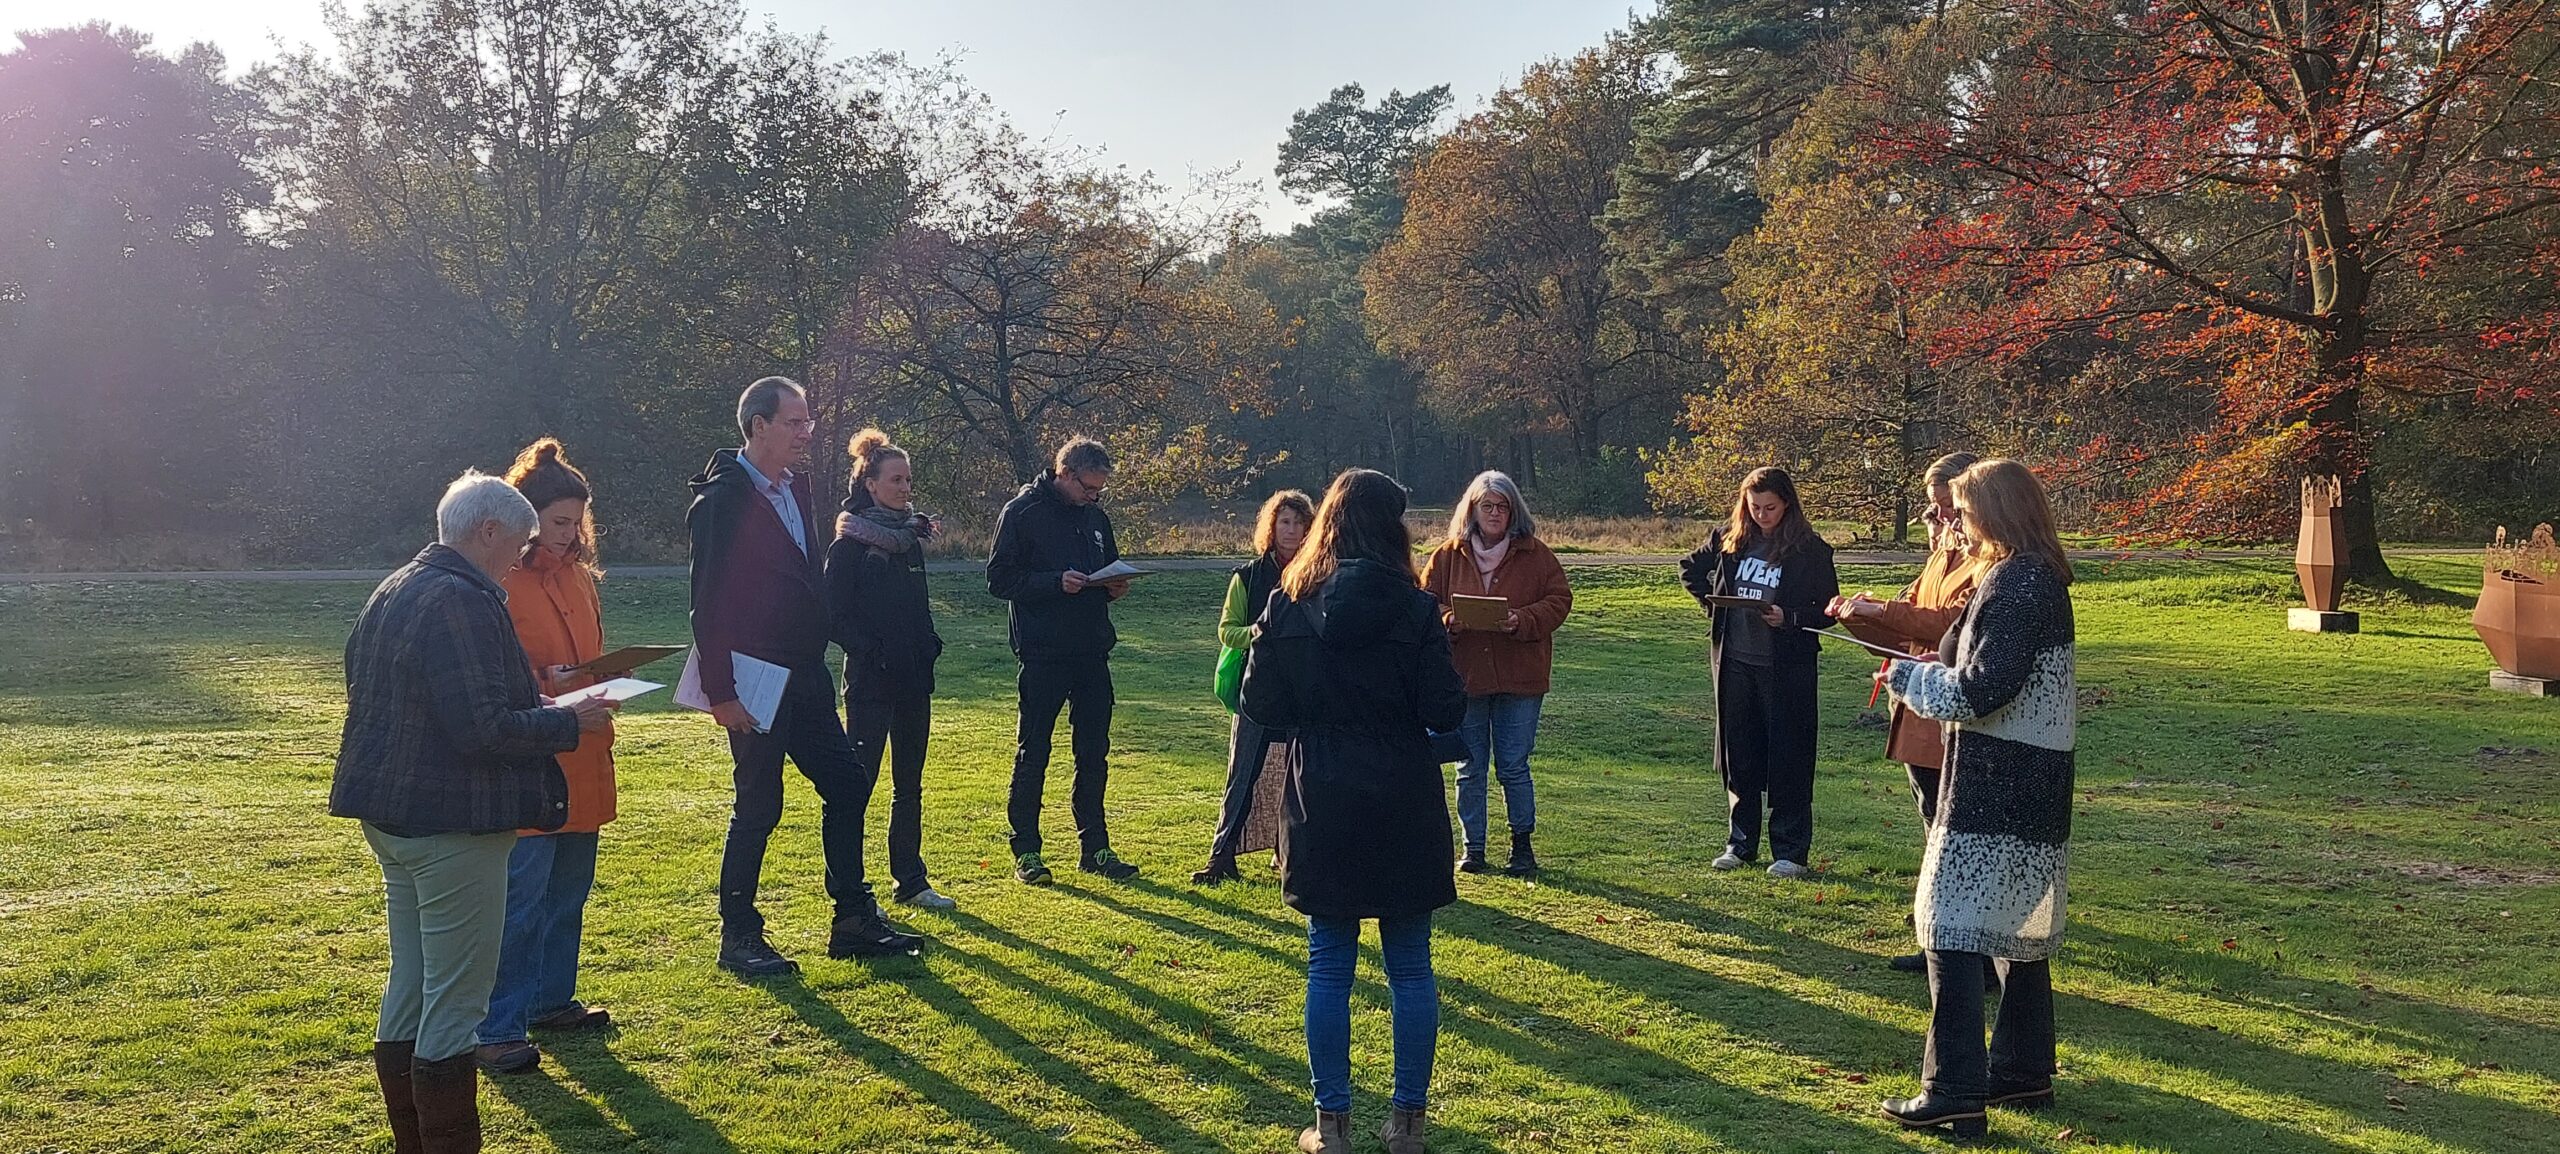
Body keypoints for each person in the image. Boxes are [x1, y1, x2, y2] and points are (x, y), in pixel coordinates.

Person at [331, 471, 613, 1154]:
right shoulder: (464, 600)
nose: (520, 558)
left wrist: (542, 711)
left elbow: (440, 705)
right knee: (456, 1003)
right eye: (517, 542)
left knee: (413, 985)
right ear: (487, 532)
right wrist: (567, 722)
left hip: (394, 819)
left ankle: (414, 1142)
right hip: (451, 825)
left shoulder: (397, 586)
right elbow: (482, 729)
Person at [1240, 468, 1466, 1154]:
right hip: (1401, 785)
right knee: (1411, 965)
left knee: (1329, 962)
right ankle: (1407, 1123)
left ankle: (1331, 1123)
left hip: (1323, 790)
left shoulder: (1288, 603)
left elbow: (1261, 705)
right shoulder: (1417, 607)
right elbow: (1445, 709)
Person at [688, 376, 923, 976]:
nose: (806, 432)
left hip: (806, 675)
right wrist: (722, 695)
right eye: (794, 422)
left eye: (808, 421)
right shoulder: (720, 502)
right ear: (757, 426)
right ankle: (739, 936)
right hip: (754, 678)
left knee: (846, 785)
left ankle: (851, 919)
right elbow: (707, 603)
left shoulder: (799, 489)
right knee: (759, 805)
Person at [1875, 458, 2077, 1137]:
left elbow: (1982, 692)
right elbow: (1992, 670)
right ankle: (2021, 1073)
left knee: (1948, 928)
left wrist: (1912, 680)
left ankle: (1953, 1091)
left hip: (2001, 789)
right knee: (2014, 930)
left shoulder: (2018, 582)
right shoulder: (2028, 577)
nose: (1952, 524)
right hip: (2027, 784)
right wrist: (1945, 666)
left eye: (1960, 512)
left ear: (1994, 513)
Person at [473, 440, 619, 1077]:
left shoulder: (582, 579)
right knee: (522, 900)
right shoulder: (500, 579)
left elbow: (592, 654)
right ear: (525, 518)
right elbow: (493, 679)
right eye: (557, 522)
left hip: (585, 753)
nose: (567, 535)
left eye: (575, 523)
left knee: (568, 893)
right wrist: (549, 681)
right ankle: (497, 1025)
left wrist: (603, 681)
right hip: (533, 761)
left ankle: (551, 1001)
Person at [1829, 451, 1987, 976]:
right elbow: (1906, 630)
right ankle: (1942, 940)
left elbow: (1948, 623)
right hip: (1919, 713)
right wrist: (1856, 617)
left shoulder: (1988, 560)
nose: (1937, 521)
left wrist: (1885, 611)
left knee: (1958, 829)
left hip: (1953, 715)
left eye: (1947, 510)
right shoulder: (1942, 553)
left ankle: (1971, 950)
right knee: (1934, 827)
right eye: (1931, 510)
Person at [987, 436, 1137, 884]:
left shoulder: (1095, 517)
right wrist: (1055, 583)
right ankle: (1027, 851)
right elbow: (999, 579)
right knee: (1034, 752)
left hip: (1092, 651)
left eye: (1100, 491)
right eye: (1089, 488)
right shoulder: (1022, 513)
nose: (1094, 497)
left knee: (1094, 753)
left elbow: (1109, 564)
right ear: (1065, 474)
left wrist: (1115, 585)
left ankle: (1096, 847)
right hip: (1042, 653)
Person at [1679, 467, 1839, 879]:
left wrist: (1789, 617)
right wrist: (1715, 605)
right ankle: (1739, 843)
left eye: (1770, 508)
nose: (1763, 515)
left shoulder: (1810, 550)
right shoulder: (1728, 540)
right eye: (1755, 508)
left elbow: (1828, 610)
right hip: (1735, 664)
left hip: (1786, 670)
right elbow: (1690, 569)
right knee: (1740, 755)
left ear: (1787, 504)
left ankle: (1790, 851)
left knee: (1789, 756)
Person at [1418, 471, 1572, 877]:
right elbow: (1422, 603)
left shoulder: (1536, 554)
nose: (1494, 513)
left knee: (1513, 767)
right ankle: (1474, 849)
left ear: (1513, 511)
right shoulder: (1447, 555)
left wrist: (1522, 619)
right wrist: (1449, 618)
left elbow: (1559, 600)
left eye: (1502, 506)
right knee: (1469, 768)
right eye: (1487, 506)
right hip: (1466, 678)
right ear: (1472, 509)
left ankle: (1522, 846)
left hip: (1520, 678)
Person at [826, 428, 955, 911]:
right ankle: (855, 892)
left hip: (914, 682)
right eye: (896, 480)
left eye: (909, 480)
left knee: (910, 785)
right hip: (869, 686)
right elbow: (833, 617)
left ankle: (911, 880)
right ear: (871, 485)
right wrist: (872, 652)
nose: (905, 488)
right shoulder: (849, 547)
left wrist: (929, 644)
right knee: (858, 788)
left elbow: (916, 609)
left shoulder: (910, 542)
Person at [1194, 488, 1316, 885]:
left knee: (1300, 777)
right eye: (1285, 522)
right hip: (1256, 688)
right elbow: (1226, 631)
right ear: (1271, 526)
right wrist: (1259, 633)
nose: (1292, 531)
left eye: (1299, 523)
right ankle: (1221, 856)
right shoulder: (1247, 576)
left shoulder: (1318, 574)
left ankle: (1292, 857)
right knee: (1242, 774)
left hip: (1302, 688)